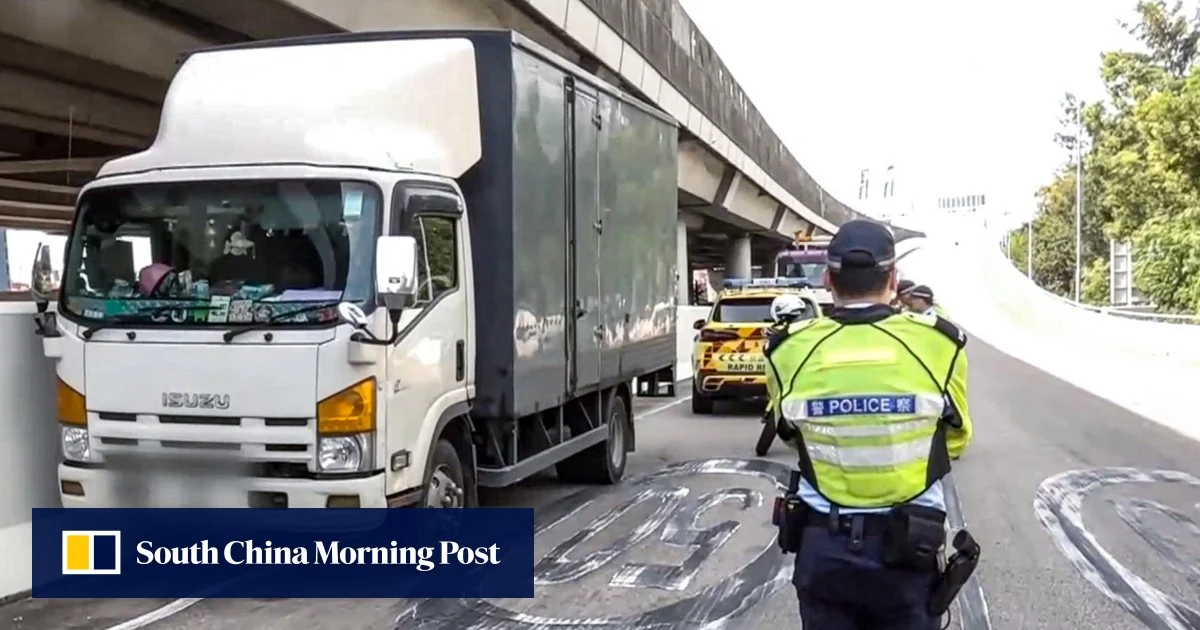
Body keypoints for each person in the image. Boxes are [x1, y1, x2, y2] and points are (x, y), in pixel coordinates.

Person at [764, 219, 975, 629]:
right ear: (893, 278)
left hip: (824, 548)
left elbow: (791, 434)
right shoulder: (940, 345)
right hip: (908, 550)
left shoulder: (787, 350)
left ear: (828, 278)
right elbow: (957, 438)